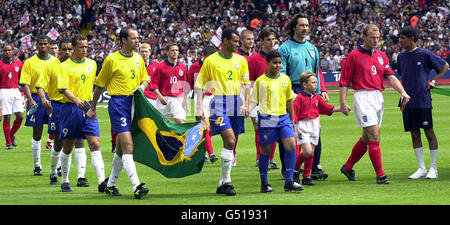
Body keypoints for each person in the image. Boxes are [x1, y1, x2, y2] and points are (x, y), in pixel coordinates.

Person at [339, 24, 411, 184]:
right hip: (362, 96)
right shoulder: (353, 56)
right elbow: (344, 82)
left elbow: (391, 77)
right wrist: (343, 103)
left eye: (378, 37)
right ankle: (381, 175)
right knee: (374, 135)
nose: (376, 40)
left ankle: (348, 166)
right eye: (372, 37)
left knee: (367, 138)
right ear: (363, 37)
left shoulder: (381, 56)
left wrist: (403, 92)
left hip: (378, 97)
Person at [87, 27, 149, 199]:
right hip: (118, 105)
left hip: (134, 104)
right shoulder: (111, 60)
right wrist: (92, 108)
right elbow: (99, 85)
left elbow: (145, 78)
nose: (137, 41)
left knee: (121, 149)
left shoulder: (138, 59)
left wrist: (142, 87)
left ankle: (111, 185)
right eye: (134, 38)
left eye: (138, 38)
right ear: (123, 40)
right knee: (128, 145)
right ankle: (137, 186)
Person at [195, 28, 250, 196]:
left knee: (232, 144)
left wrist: (247, 103)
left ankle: (222, 182)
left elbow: (246, 84)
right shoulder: (211, 61)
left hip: (236, 102)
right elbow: (199, 85)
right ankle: (227, 182)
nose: (237, 44)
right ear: (224, 41)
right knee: (230, 139)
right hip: (218, 102)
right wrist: (198, 107)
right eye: (234, 41)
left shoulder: (241, 60)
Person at [278, 13, 329, 180]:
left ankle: (314, 167)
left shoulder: (312, 48)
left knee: (315, 129)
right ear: (294, 27)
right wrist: (288, 94)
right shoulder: (285, 48)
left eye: (307, 25)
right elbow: (282, 73)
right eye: (302, 25)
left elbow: (316, 72)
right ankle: (288, 168)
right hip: (293, 90)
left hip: (311, 92)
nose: (305, 28)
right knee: (289, 130)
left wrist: (321, 91)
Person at [397, 26, 449, 179]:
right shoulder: (401, 56)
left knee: (429, 132)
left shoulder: (425, 54)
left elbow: (445, 66)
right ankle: (421, 168)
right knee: (414, 133)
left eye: (403, 38)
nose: (400, 41)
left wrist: (433, 80)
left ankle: (434, 168)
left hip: (423, 100)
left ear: (411, 39)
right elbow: (402, 75)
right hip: (407, 100)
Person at [57, 34, 106, 193]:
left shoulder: (92, 64)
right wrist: (75, 99)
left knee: (95, 143)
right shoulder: (65, 66)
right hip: (70, 108)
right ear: (74, 48)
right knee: (68, 145)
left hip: (87, 107)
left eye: (86, 47)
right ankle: (65, 180)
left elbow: (94, 85)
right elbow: (63, 88)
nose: (84, 50)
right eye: (81, 47)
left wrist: (92, 104)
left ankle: (102, 182)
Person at [35, 38, 87, 185]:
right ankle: (53, 172)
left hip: (74, 106)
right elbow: (40, 85)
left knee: (78, 140)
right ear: (58, 50)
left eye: (70, 49)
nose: (67, 52)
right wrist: (44, 99)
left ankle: (80, 177)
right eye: (64, 49)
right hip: (57, 107)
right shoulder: (51, 66)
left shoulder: (78, 65)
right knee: (58, 143)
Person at [250, 50, 303, 193]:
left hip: (283, 118)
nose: (278, 65)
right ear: (267, 63)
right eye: (274, 63)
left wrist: (292, 119)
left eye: (279, 63)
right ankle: (264, 183)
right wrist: (250, 113)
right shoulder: (260, 81)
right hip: (267, 119)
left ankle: (289, 181)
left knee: (291, 145)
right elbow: (253, 101)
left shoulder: (285, 79)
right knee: (266, 151)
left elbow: (289, 100)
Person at [293, 71, 348, 185]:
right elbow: (294, 114)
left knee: (311, 152)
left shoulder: (317, 98)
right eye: (313, 82)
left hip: (314, 125)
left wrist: (342, 108)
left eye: (316, 83)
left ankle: (306, 177)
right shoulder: (299, 98)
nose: (315, 85)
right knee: (307, 151)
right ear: (304, 84)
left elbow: (327, 108)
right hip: (303, 125)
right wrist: (294, 128)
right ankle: (295, 170)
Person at [19, 35, 59, 176]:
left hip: (53, 97)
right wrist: (30, 100)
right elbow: (25, 82)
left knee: (57, 131)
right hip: (36, 98)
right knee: (37, 133)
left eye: (45, 44)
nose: (43, 46)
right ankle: (37, 165)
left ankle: (58, 165)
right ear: (36, 45)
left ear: (49, 45)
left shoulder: (56, 62)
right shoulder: (29, 62)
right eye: (40, 44)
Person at [248, 27, 279, 169]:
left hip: (274, 98)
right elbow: (250, 80)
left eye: (273, 39)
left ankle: (270, 159)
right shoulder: (254, 58)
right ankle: (259, 157)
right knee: (258, 129)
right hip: (258, 98)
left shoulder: (277, 57)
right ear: (261, 41)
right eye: (268, 40)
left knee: (272, 129)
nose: (271, 42)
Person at [189, 45, 218, 163]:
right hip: (201, 98)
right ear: (204, 57)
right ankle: (211, 153)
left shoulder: (216, 66)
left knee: (210, 128)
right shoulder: (194, 67)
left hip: (214, 98)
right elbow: (190, 82)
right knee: (205, 126)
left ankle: (204, 152)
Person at [152, 42, 188, 124]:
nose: (175, 52)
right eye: (172, 50)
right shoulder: (160, 67)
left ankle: (181, 137)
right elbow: (154, 85)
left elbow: (185, 85)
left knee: (180, 122)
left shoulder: (183, 67)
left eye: (176, 50)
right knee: (161, 125)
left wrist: (185, 100)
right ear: (167, 52)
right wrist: (160, 97)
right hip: (163, 99)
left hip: (178, 99)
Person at [0, 44, 24, 149]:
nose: (7, 52)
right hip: (3, 90)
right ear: (2, 51)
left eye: (9, 50)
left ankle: (10, 135)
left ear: (13, 51)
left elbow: (22, 79)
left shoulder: (19, 63)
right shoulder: (0, 64)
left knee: (20, 116)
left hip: (15, 90)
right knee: (7, 116)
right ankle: (8, 142)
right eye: (5, 50)